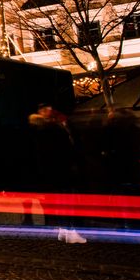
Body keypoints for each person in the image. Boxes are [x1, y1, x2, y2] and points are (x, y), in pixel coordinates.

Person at [30, 103, 85, 243]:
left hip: (50, 171)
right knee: (67, 200)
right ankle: (70, 231)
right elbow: (67, 149)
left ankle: (63, 230)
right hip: (62, 169)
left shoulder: (37, 129)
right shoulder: (54, 129)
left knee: (59, 201)